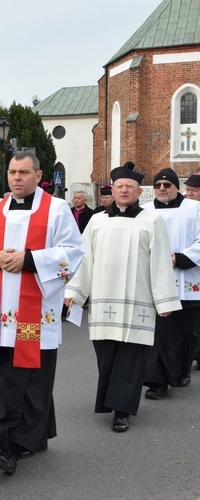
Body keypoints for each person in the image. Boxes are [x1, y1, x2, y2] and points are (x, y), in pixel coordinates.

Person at [0, 151, 84, 475]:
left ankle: (14, 447)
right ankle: (24, 438)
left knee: (34, 376)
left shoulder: (57, 209)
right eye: (12, 172)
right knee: (10, 376)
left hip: (37, 311)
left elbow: (73, 252)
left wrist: (30, 260)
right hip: (3, 312)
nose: (16, 178)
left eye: (23, 172)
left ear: (38, 175)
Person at [65, 162, 181, 432]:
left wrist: (164, 301)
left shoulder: (152, 220)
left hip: (138, 302)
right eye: (120, 186)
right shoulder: (96, 220)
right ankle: (109, 401)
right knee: (107, 356)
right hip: (103, 301)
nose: (124, 190)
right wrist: (74, 292)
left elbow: (161, 262)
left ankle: (122, 411)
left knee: (130, 358)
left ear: (139, 191)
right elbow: (85, 260)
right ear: (113, 191)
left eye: (130, 186)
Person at [141, 168, 200, 398]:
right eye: (158, 186)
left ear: (177, 186)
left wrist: (178, 258)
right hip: (155, 281)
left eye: (167, 185)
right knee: (158, 334)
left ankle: (181, 370)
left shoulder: (195, 209)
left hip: (186, 280)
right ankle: (158, 381)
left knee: (184, 333)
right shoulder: (144, 212)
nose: (162, 189)